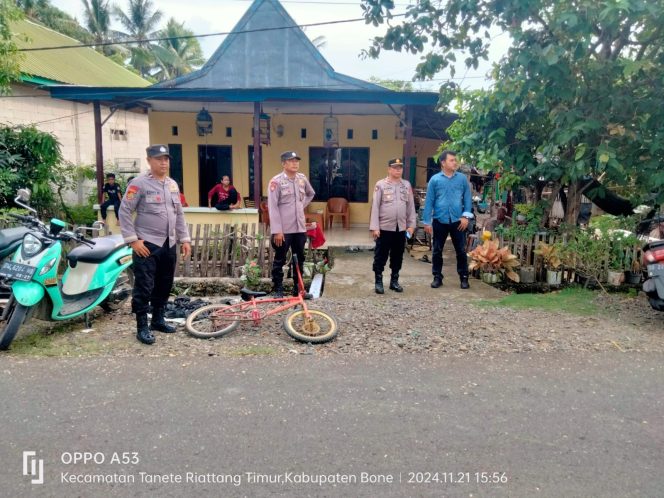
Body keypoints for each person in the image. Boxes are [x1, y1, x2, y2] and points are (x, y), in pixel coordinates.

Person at [119, 144, 192, 345]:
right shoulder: (139, 183)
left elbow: (179, 214)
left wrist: (184, 238)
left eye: (166, 159)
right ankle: (142, 326)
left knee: (164, 283)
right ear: (149, 160)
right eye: (159, 159)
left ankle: (158, 320)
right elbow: (124, 211)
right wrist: (132, 240)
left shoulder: (172, 185)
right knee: (144, 285)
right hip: (147, 244)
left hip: (169, 243)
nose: (164, 162)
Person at [423, 150, 474, 289]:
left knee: (461, 251)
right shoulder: (435, 180)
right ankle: (437, 277)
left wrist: (466, 216)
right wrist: (427, 221)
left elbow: (468, 199)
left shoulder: (462, 179)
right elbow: (429, 201)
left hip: (458, 221)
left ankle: (464, 277)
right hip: (440, 220)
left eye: (455, 160)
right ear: (443, 162)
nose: (455, 162)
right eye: (452, 160)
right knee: (437, 250)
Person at [268, 151, 315, 298]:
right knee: (280, 259)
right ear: (283, 163)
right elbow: (273, 206)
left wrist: (301, 205)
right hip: (283, 230)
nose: (295, 163)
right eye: (291, 161)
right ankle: (278, 289)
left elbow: (310, 193)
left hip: (299, 228)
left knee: (299, 259)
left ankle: (298, 290)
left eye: (296, 161)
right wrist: (277, 230)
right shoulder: (276, 182)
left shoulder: (301, 179)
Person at [369, 158, 417, 294]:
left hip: (401, 228)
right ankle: (378, 281)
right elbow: (375, 207)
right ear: (389, 169)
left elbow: (410, 207)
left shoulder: (406, 185)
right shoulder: (381, 185)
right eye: (395, 167)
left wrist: (411, 225)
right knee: (381, 255)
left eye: (400, 167)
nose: (398, 170)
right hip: (384, 227)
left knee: (398, 255)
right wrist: (375, 227)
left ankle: (394, 281)